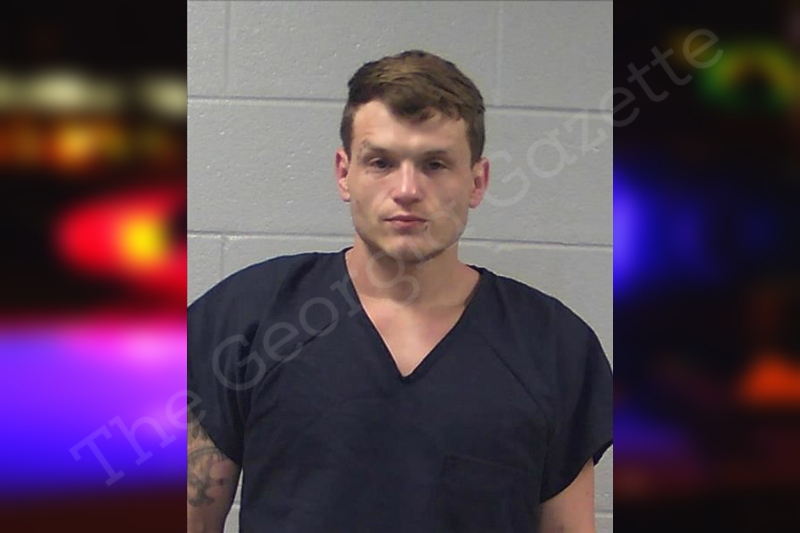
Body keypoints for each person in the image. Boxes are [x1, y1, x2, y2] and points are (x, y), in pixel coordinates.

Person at [187, 50, 612, 533]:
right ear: (344, 173)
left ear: (477, 182)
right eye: (381, 162)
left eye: (435, 164)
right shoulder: (248, 317)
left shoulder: (553, 345)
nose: (407, 189)